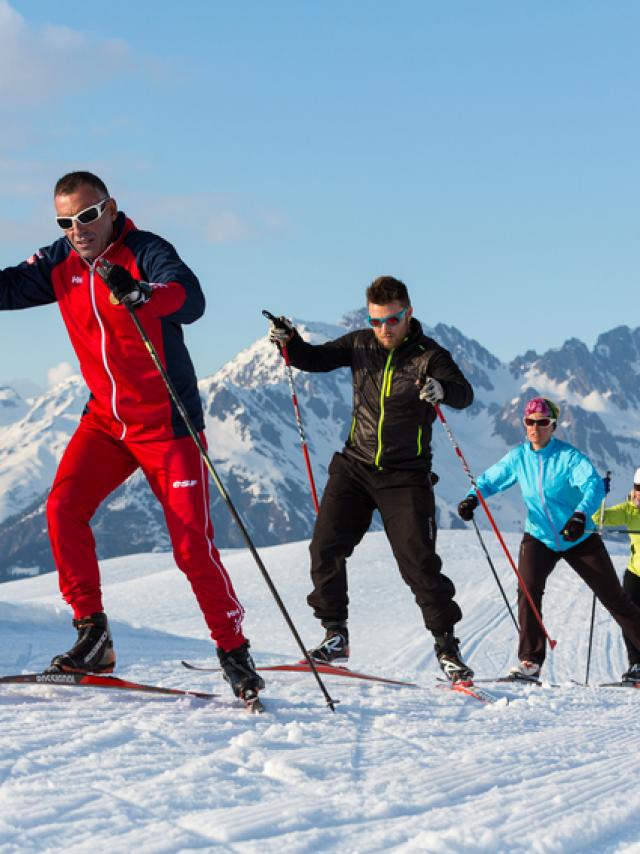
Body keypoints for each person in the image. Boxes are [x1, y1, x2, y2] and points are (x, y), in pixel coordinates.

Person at [0, 171, 263, 700]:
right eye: (66, 221)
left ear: (111, 208)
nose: (78, 229)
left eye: (88, 216)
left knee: (192, 549)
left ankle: (234, 651)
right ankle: (93, 635)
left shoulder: (145, 250)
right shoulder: (60, 263)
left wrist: (144, 294)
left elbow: (189, 299)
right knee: (62, 509)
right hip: (106, 423)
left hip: (168, 428)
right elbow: (6, 288)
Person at [267, 275, 475, 682]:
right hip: (355, 466)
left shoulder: (429, 355)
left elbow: (463, 393)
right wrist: (288, 341)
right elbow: (313, 359)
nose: (384, 329)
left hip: (406, 475)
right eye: (377, 320)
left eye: (392, 320)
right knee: (325, 548)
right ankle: (335, 634)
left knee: (419, 564)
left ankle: (447, 648)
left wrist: (439, 389)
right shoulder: (360, 343)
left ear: (408, 314)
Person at [457, 396, 640, 681]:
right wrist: (472, 498)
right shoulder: (519, 457)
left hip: (577, 535)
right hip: (539, 536)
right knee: (528, 592)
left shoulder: (568, 457)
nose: (535, 427)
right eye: (530, 422)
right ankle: (530, 661)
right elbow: (492, 478)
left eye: (542, 422)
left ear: (553, 426)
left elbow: (592, 485)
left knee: (615, 599)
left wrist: (580, 515)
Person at [597, 467, 640, 682]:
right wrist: (598, 496)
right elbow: (598, 518)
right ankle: (637, 663)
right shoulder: (630, 510)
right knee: (629, 616)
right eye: (638, 488)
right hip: (636, 574)